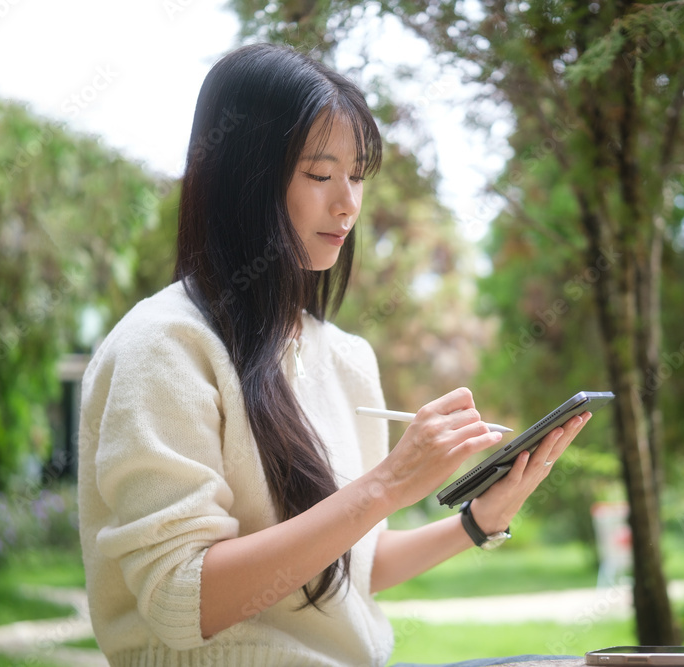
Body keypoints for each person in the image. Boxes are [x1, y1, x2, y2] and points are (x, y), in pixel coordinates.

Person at [77, 42, 591, 666]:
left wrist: (478, 520)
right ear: (244, 179)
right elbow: (183, 601)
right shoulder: (163, 349)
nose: (347, 204)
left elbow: (347, 570)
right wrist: (389, 484)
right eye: (320, 174)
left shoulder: (344, 357)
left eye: (357, 176)